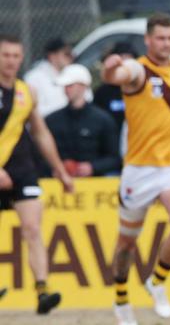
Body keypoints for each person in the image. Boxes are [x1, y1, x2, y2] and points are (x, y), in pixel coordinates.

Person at [102, 13, 170, 325]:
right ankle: (120, 297)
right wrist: (110, 66)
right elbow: (112, 76)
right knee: (127, 242)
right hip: (139, 170)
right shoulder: (137, 70)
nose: (166, 44)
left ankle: (156, 281)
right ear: (148, 39)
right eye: (160, 38)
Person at [0, 34, 74, 314]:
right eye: (5, 55)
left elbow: (41, 133)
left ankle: (43, 290)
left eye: (15, 55)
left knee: (32, 227)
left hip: (21, 169)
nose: (11, 61)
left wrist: (59, 170)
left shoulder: (27, 91)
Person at [46, 64, 121, 177]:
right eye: (65, 86)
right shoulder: (52, 120)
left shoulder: (102, 120)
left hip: (95, 186)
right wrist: (58, 166)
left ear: (83, 86)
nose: (66, 90)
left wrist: (92, 167)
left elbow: (114, 158)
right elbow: (41, 155)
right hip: (58, 184)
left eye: (70, 85)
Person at [24, 38, 73, 116]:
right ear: (52, 56)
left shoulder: (73, 74)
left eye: (71, 53)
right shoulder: (34, 78)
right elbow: (34, 111)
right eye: (66, 54)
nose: (71, 57)